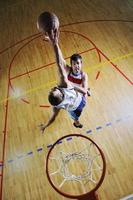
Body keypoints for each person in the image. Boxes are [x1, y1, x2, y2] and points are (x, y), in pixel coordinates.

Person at [39, 36, 87, 133]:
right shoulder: (66, 81)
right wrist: (54, 43)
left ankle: (76, 121)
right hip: (78, 101)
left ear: (81, 63)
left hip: (77, 99)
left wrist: (45, 126)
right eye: (74, 64)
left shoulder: (57, 105)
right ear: (60, 93)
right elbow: (60, 63)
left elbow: (61, 60)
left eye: (78, 63)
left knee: (84, 93)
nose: (76, 66)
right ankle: (76, 123)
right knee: (76, 118)